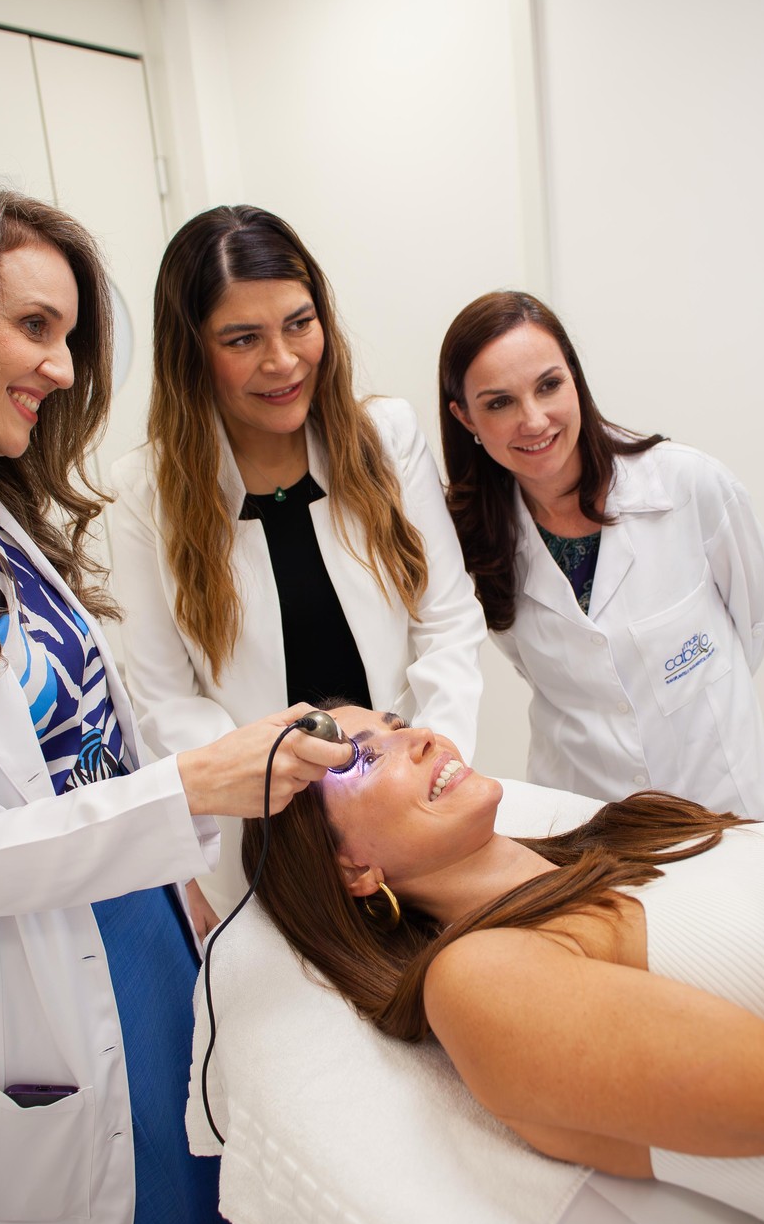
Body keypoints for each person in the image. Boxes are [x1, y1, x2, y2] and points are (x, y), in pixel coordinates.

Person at [0, 178, 354, 1224]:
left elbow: (99, 729)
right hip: (44, 984)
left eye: (67, 335)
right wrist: (194, 789)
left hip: (144, 931)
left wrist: (183, 873)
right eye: (34, 328)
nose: (60, 369)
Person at [239, 492, 764, 1224]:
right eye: (367, 759)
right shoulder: (480, 983)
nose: (419, 739)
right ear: (351, 870)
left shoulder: (632, 836)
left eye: (401, 723)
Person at [109, 204, 485, 914]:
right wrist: (276, 781)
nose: (282, 361)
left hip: (414, 816)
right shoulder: (144, 493)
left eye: (298, 323)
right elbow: (162, 697)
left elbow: (446, 619)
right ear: (193, 351)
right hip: (269, 846)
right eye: (243, 338)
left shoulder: (385, 436)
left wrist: (437, 759)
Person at [438, 290, 764, 820]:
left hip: (728, 803)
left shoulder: (684, 484)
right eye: (499, 402)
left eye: (549, 386)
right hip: (591, 825)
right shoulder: (470, 538)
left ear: (574, 380)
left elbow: (756, 619)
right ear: (465, 417)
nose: (533, 421)